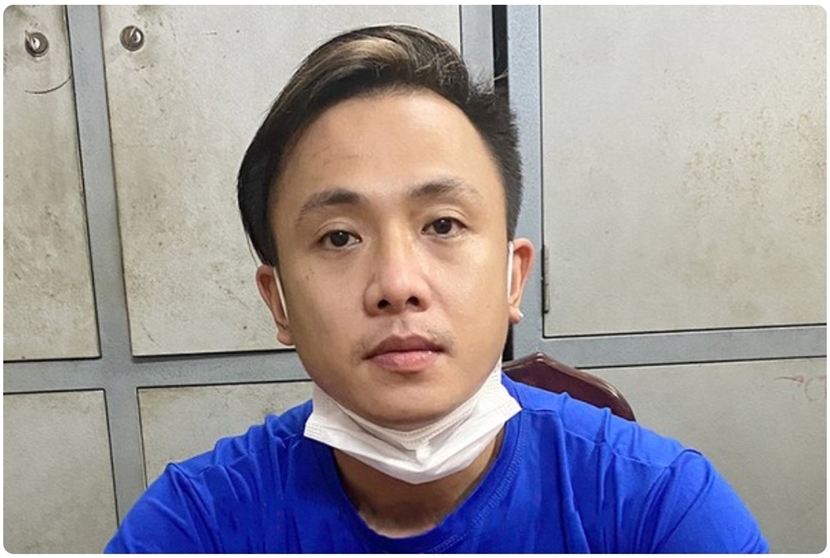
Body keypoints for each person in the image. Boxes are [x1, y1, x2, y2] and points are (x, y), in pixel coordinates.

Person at [105, 24, 768, 553]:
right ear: (277, 300)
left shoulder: (660, 509)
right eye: (339, 237)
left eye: (442, 225)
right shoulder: (193, 527)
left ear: (512, 276)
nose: (397, 285)